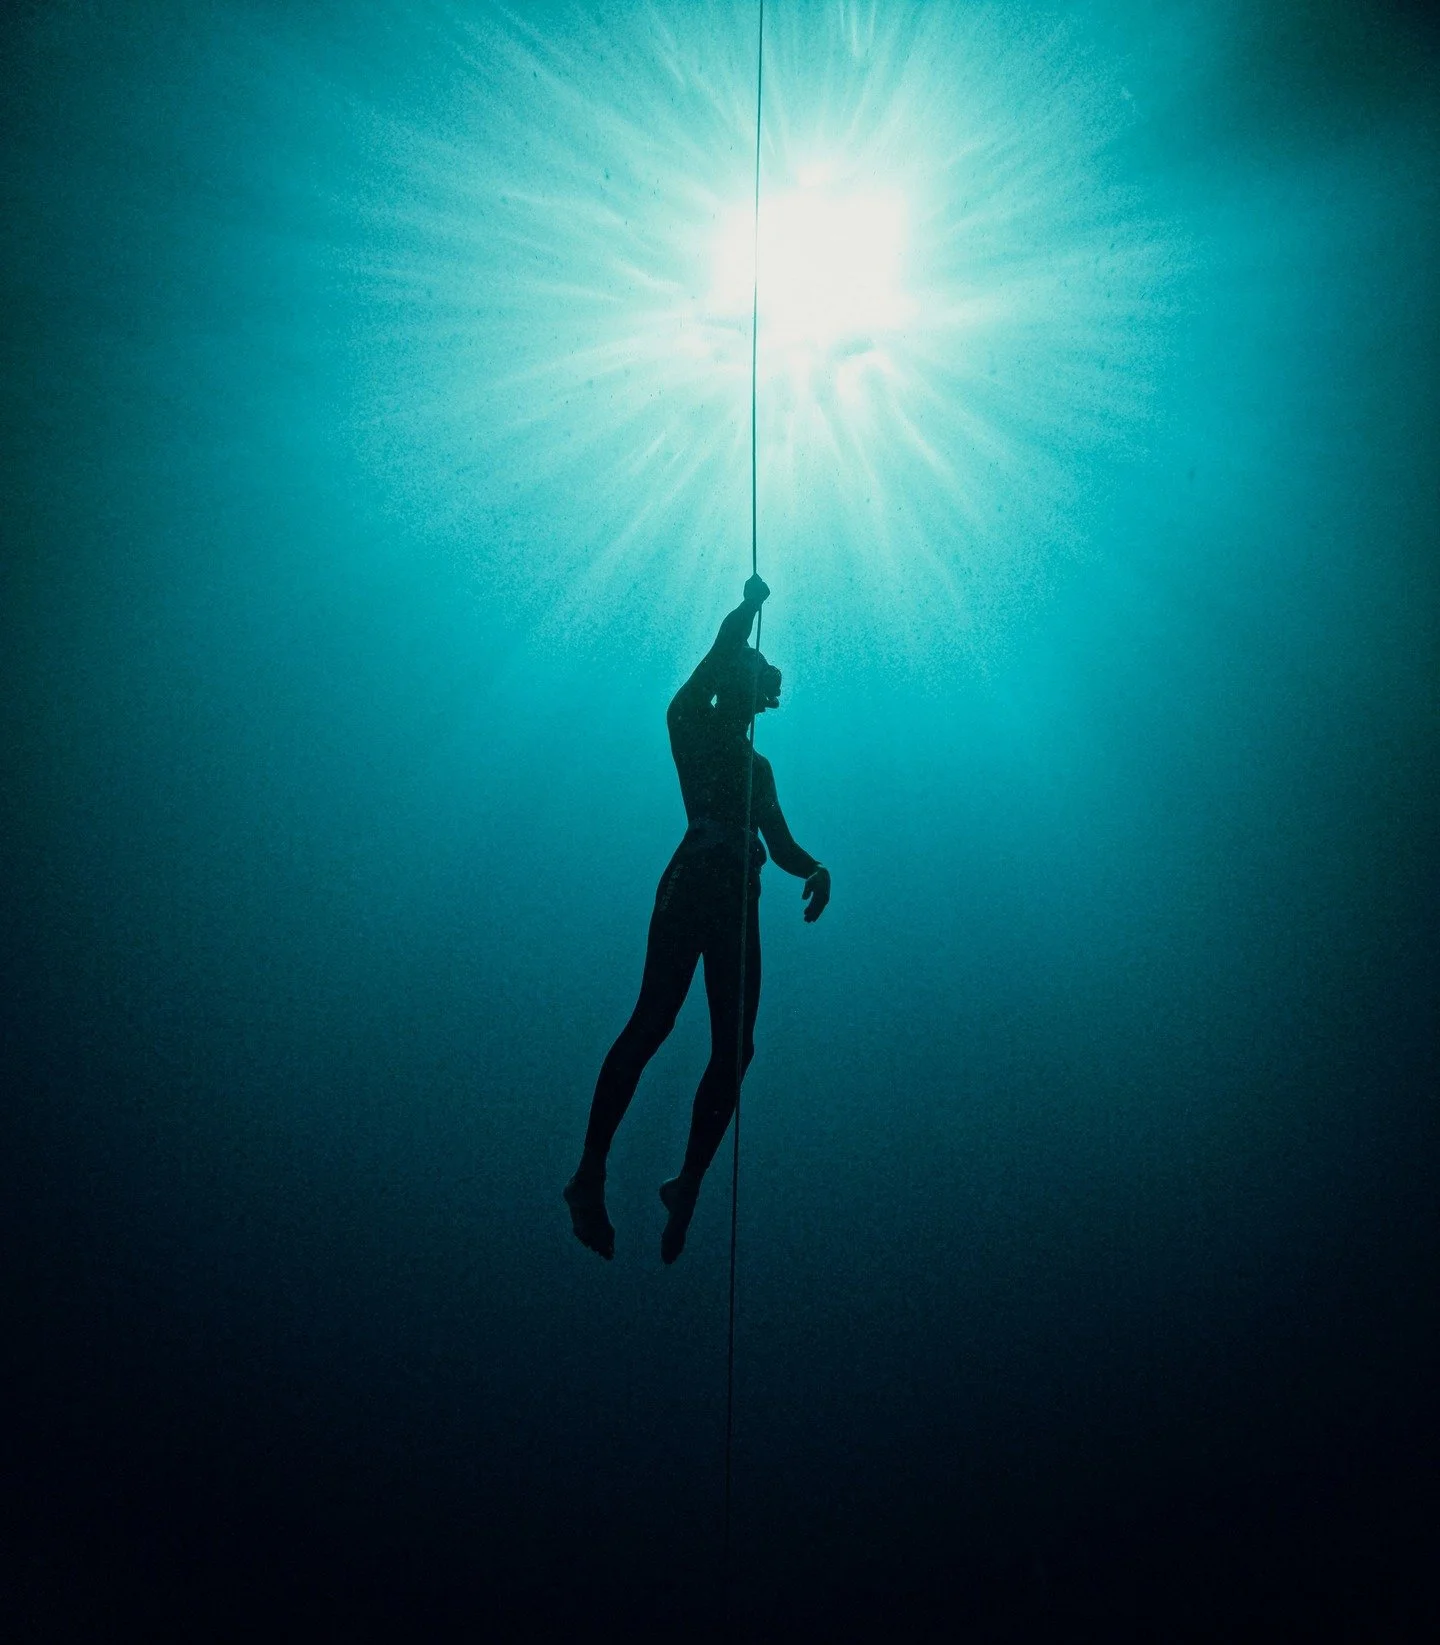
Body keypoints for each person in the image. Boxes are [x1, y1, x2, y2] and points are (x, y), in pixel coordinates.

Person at [564, 575, 830, 1263]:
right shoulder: (690, 721)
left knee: (736, 1047)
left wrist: (815, 870)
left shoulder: (759, 767)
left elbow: (782, 844)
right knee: (653, 1020)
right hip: (695, 879)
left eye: (756, 676)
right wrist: (746, 610)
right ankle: (590, 1168)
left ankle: (688, 1182)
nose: (754, 683)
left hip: (739, 891)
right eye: (746, 671)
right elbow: (715, 653)